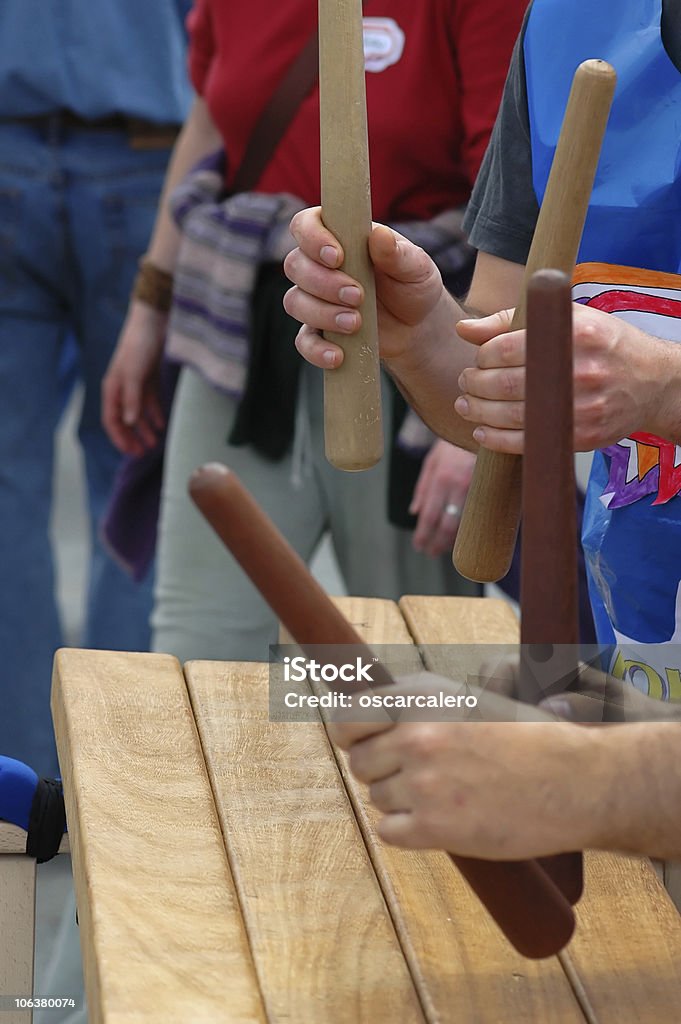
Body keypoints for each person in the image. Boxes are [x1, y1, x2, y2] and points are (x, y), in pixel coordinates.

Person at [282, 0, 681, 864]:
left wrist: (663, 387)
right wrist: (417, 333)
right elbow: (497, 387)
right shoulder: (574, 24)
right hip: (642, 680)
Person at [102, 0, 529, 663]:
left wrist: (477, 413)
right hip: (234, 333)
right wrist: (148, 303)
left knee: (417, 669)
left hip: (417, 338)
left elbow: (515, 203)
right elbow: (209, 120)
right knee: (201, 655)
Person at [0, 2, 192, 777]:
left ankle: (23, 779)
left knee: (6, 483)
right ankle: (114, 771)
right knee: (133, 469)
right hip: (145, 156)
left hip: (10, 150)